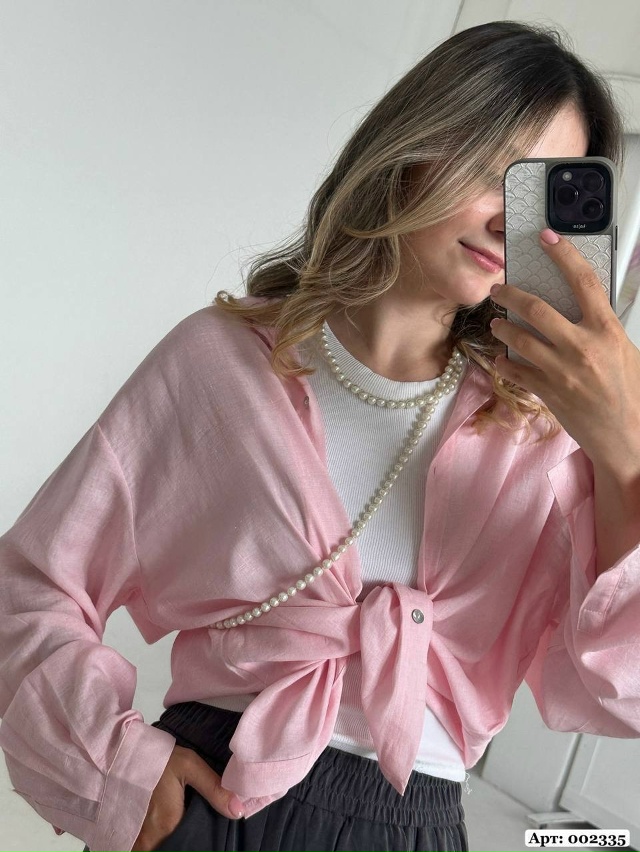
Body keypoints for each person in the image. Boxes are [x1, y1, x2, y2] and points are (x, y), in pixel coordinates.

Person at [1, 19, 640, 852]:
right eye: (493, 169)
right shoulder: (220, 364)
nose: (505, 224)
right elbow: (29, 584)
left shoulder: (544, 433)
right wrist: (115, 765)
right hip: (212, 797)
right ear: (413, 147)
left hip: (414, 823)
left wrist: (624, 450)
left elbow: (622, 691)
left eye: (540, 197)